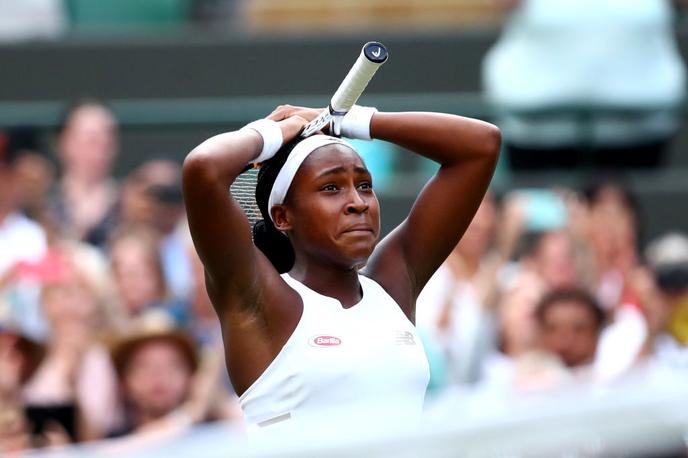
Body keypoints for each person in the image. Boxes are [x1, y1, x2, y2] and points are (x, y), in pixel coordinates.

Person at [182, 104, 500, 430]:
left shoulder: (392, 286)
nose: (358, 202)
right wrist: (277, 129)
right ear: (282, 216)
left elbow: (481, 145)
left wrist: (349, 119)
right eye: (331, 188)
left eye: (364, 185)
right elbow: (204, 168)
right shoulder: (261, 300)